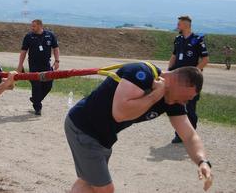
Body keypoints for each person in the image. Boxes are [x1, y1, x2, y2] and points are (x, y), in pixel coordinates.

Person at [65, 62, 213, 193]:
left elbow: (189, 136)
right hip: (84, 128)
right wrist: (155, 95)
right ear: (181, 83)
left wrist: (202, 162)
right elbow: (120, 113)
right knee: (105, 189)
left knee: (88, 182)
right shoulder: (141, 73)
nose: (184, 102)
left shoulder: (172, 100)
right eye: (187, 97)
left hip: (103, 136)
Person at [168, 15, 209, 144]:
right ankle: (179, 134)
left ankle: (190, 135)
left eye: (179, 24)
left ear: (186, 25)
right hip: (177, 78)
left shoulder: (197, 40)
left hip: (191, 80)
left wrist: (195, 73)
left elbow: (205, 59)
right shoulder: (178, 39)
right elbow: (174, 56)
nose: (177, 26)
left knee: (190, 107)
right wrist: (169, 72)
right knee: (177, 107)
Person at [17, 19, 60, 115]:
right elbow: (23, 51)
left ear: (40, 26)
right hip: (34, 65)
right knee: (36, 86)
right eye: (31, 26)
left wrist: (57, 61)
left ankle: (36, 99)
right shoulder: (28, 36)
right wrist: (20, 65)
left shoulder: (50, 35)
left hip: (46, 65)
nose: (32, 28)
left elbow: (56, 48)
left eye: (34, 26)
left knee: (48, 85)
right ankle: (37, 108)